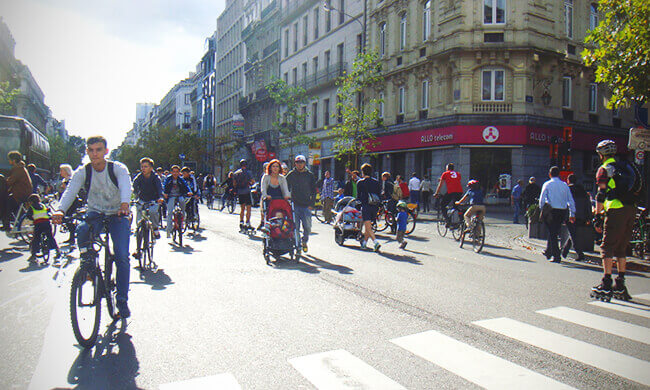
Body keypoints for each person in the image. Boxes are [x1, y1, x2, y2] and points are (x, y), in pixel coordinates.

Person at [53, 136, 133, 318]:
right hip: (95, 213)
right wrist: (60, 210)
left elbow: (125, 185)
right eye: (91, 150)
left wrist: (125, 203)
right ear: (87, 152)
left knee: (121, 256)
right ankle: (88, 266)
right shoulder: (84, 171)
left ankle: (121, 300)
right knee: (82, 230)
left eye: (98, 150)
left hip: (117, 213)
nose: (94, 153)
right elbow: (70, 191)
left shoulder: (117, 168)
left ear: (106, 151)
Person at [591, 140, 641, 300]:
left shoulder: (604, 169)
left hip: (615, 209)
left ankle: (606, 284)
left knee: (606, 246)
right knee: (621, 247)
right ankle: (620, 284)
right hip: (631, 208)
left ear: (601, 154)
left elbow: (600, 195)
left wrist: (597, 216)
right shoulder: (624, 166)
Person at [539, 166, 576, 263]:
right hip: (562, 211)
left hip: (551, 210)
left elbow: (542, 199)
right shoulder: (564, 185)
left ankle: (556, 255)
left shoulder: (547, 184)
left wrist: (542, 209)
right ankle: (549, 251)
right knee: (554, 231)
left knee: (552, 233)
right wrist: (572, 213)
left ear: (550, 174)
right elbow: (570, 200)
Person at [286, 155, 316, 252]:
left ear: (304, 163)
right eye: (298, 162)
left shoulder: (309, 175)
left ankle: (304, 241)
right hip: (295, 206)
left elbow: (314, 191)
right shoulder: (291, 174)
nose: (300, 164)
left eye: (302, 162)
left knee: (307, 227)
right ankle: (298, 245)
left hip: (307, 205)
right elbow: (285, 187)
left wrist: (312, 204)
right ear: (295, 163)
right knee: (296, 227)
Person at [132, 157, 164, 247]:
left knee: (153, 212)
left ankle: (155, 228)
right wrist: (131, 195)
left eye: (145, 166)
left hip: (153, 200)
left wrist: (160, 197)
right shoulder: (139, 177)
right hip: (142, 199)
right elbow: (133, 187)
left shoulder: (155, 178)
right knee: (138, 212)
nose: (143, 168)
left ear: (151, 168)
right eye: (142, 166)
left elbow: (159, 188)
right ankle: (138, 232)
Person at [562, 174, 591, 261]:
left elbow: (565, 204)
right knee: (573, 233)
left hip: (571, 215)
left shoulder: (568, 190)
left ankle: (579, 253)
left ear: (568, 180)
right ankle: (564, 251)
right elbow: (588, 204)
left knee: (573, 234)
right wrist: (588, 217)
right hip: (581, 215)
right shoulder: (582, 190)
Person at [26, 193, 60, 263]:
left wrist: (34, 219)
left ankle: (34, 255)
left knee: (36, 238)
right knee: (50, 237)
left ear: (31, 201)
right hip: (47, 224)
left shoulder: (32, 207)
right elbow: (49, 212)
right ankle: (57, 251)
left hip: (38, 225)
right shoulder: (43, 205)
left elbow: (28, 216)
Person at [3, 151, 33, 231]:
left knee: (6, 205)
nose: (9, 161)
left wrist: (3, 181)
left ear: (13, 160)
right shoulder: (20, 167)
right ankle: (18, 223)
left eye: (9, 159)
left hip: (21, 193)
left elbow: (10, 181)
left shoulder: (18, 169)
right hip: (23, 192)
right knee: (14, 207)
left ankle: (7, 226)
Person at [357, 163, 382, 252]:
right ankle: (364, 243)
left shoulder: (360, 182)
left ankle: (375, 242)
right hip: (374, 206)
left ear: (363, 172)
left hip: (366, 206)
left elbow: (358, 197)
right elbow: (379, 195)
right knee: (368, 225)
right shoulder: (376, 182)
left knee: (368, 227)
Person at [162, 165, 192, 238]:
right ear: (171, 172)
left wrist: (189, 192)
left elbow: (186, 186)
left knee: (182, 202)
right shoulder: (168, 179)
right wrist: (165, 193)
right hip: (171, 196)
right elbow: (164, 186)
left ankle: (182, 220)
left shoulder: (181, 179)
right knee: (169, 212)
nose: (175, 173)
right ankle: (169, 230)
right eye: (174, 172)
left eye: (177, 172)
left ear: (179, 173)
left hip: (179, 195)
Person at [233, 160, 254, 230]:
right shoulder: (249, 172)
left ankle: (241, 222)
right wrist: (250, 184)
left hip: (240, 192)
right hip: (247, 191)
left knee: (242, 208)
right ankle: (247, 222)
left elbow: (234, 184)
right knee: (248, 208)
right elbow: (252, 181)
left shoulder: (236, 173)